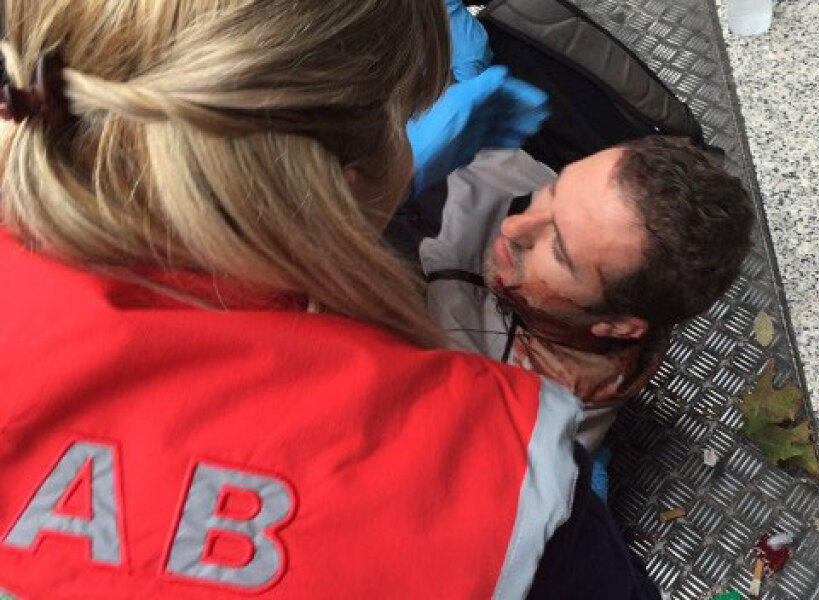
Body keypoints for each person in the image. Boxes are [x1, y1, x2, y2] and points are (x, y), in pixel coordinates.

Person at [0, 1, 658, 598]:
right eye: (406, 119)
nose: (515, 227)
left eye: (561, 246)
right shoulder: (504, 478)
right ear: (340, 181)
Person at [421, 136, 755, 450]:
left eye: (559, 252)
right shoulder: (578, 214)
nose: (513, 226)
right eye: (553, 190)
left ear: (618, 326)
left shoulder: (510, 423)